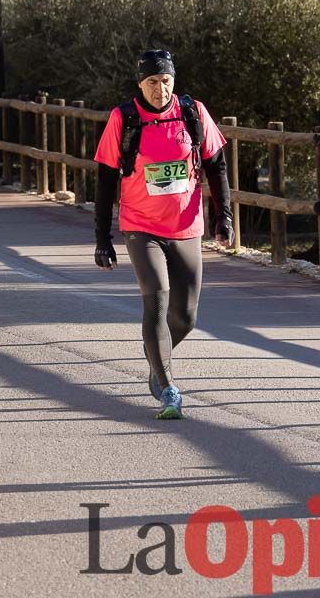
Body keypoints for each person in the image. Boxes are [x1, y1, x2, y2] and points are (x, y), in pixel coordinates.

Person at [93, 49, 233, 420]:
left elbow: (217, 165)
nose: (160, 89)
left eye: (166, 81)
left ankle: (156, 352)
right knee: (156, 299)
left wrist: (225, 218)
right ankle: (168, 387)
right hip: (141, 226)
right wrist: (102, 237)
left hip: (186, 227)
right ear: (140, 83)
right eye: (152, 82)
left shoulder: (192, 113)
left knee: (185, 317)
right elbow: (106, 179)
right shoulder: (123, 119)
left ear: (175, 80)